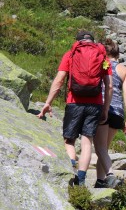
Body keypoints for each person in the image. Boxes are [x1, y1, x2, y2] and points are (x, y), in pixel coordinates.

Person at [37, 30, 113, 186]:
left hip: (74, 102)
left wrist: (48, 102)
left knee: (69, 140)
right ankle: (81, 180)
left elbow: (59, 80)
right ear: (93, 41)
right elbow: (109, 85)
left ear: (78, 41)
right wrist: (105, 109)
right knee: (87, 143)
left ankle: (69, 171)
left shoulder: (71, 54)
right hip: (95, 104)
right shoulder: (101, 55)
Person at [93, 39, 126, 189]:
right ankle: (100, 181)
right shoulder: (125, 70)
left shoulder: (102, 64)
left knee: (100, 148)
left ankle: (110, 177)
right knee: (104, 149)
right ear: (118, 53)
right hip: (118, 113)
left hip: (103, 108)